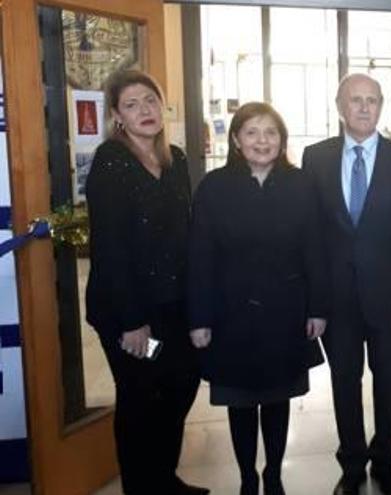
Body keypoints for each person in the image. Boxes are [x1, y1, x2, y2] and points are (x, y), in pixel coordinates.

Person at [188, 102, 328, 495]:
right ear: (235, 139)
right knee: (241, 401)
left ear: (282, 140)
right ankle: (248, 477)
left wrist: (318, 308)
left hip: (286, 312)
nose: (262, 141)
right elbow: (199, 256)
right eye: (251, 132)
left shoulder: (301, 184)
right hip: (230, 313)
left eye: (270, 132)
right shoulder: (214, 188)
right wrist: (199, 319)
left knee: (278, 398)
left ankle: (274, 474)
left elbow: (315, 250)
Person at [302, 73, 391, 495]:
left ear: (381, 106)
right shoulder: (315, 157)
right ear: (339, 106)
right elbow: (311, 236)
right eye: (354, 100)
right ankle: (352, 463)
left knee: (390, 381)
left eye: (371, 100)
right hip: (337, 300)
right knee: (344, 382)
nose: (363, 107)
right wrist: (314, 303)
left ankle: (385, 461)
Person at [85, 69, 207, 495]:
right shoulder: (111, 161)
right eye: (132, 105)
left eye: (150, 101)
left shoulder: (176, 159)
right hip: (128, 311)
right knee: (140, 396)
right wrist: (133, 323)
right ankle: (141, 487)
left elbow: (185, 233)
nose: (144, 111)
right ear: (117, 116)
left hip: (171, 305)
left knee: (181, 383)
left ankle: (164, 479)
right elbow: (111, 248)